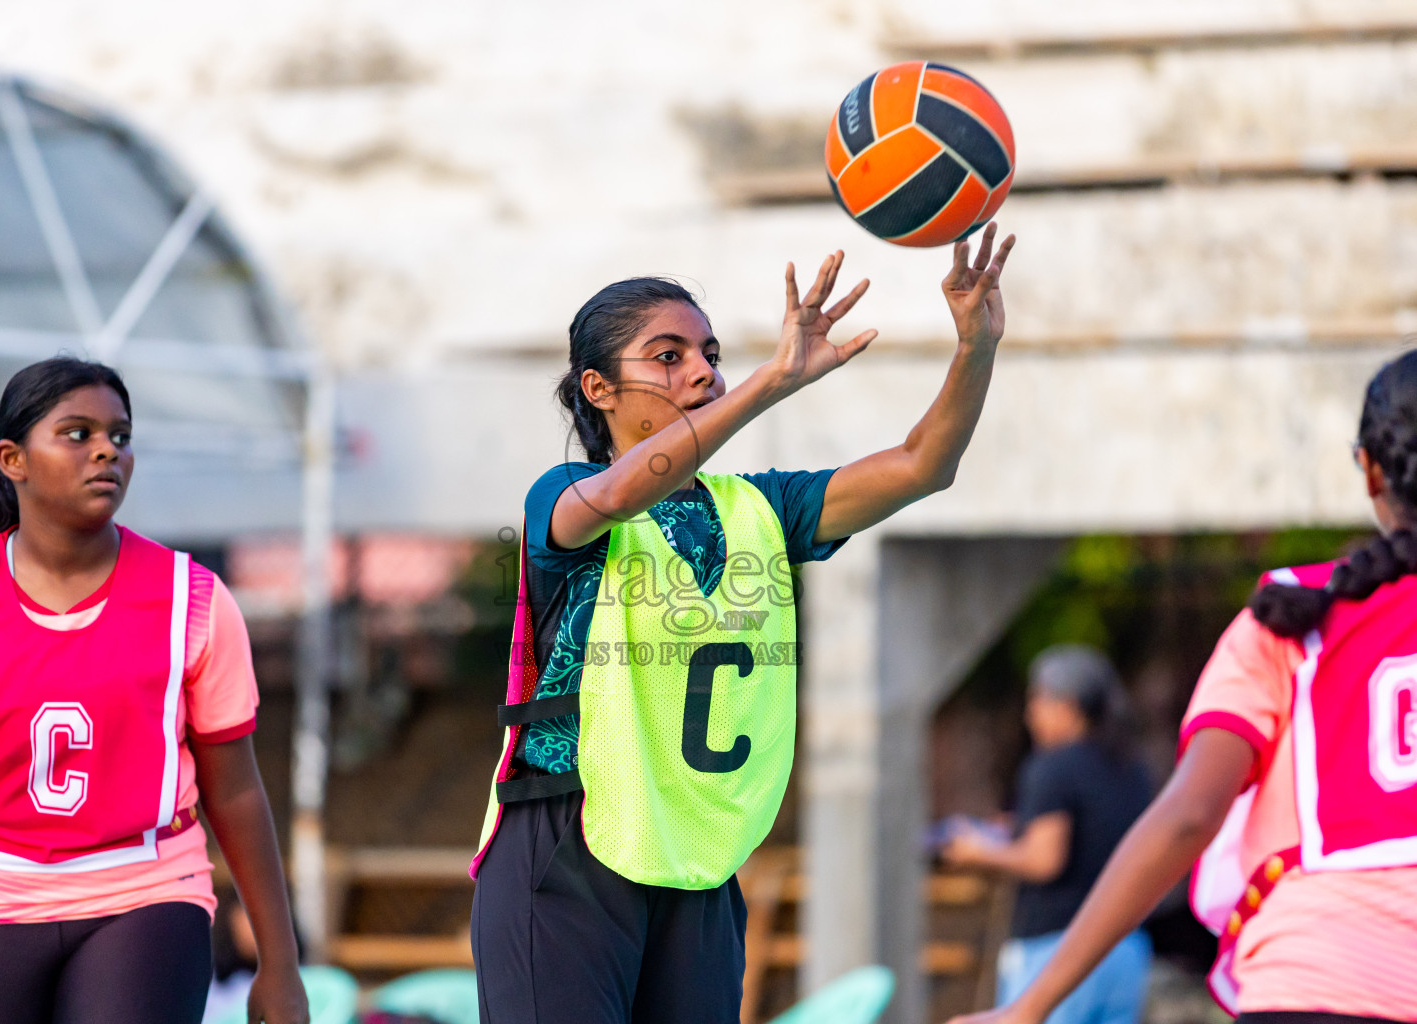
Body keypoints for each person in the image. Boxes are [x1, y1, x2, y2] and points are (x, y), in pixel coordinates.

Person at [469, 226, 1017, 1024]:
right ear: (598, 389)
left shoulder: (762, 508)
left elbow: (923, 465)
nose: (702, 370)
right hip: (565, 842)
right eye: (668, 356)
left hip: (696, 858)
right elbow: (621, 496)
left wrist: (975, 344)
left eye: (709, 352)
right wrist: (771, 382)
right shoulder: (563, 496)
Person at [948, 350, 1417, 1024]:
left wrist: (1029, 1007)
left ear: (1369, 468)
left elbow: (1189, 816)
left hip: (1313, 978)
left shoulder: (1292, 615)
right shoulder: (1114, 761)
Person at [0, 358, 309, 1024]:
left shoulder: (191, 601)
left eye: (119, 433)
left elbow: (236, 791)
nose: (107, 448)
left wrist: (280, 969)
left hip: (145, 899)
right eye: (77, 433)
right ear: (13, 459)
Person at [942, 645, 1152, 1024]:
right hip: (1126, 947)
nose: (1030, 715)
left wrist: (976, 851)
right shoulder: (1130, 768)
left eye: (1036, 701)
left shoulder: (1053, 766)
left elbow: (1044, 860)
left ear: (1065, 705)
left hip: (1059, 950)